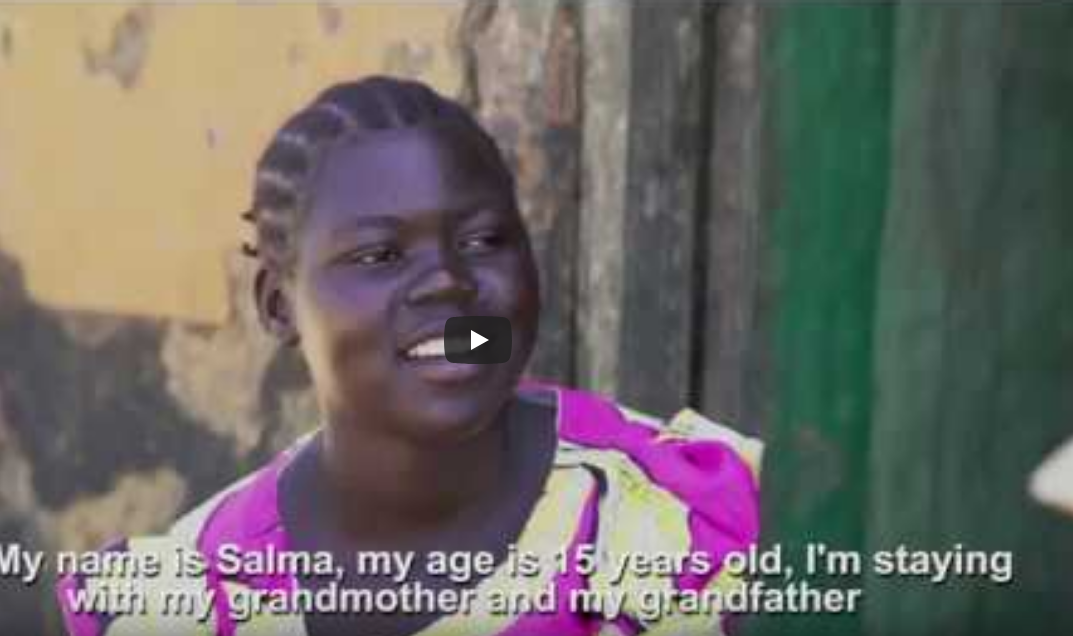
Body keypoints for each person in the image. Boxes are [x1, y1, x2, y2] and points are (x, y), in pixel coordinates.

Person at [57, 76, 762, 636]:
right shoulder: (198, 596)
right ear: (277, 305)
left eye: (483, 241)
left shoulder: (668, 525)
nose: (449, 281)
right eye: (379, 255)